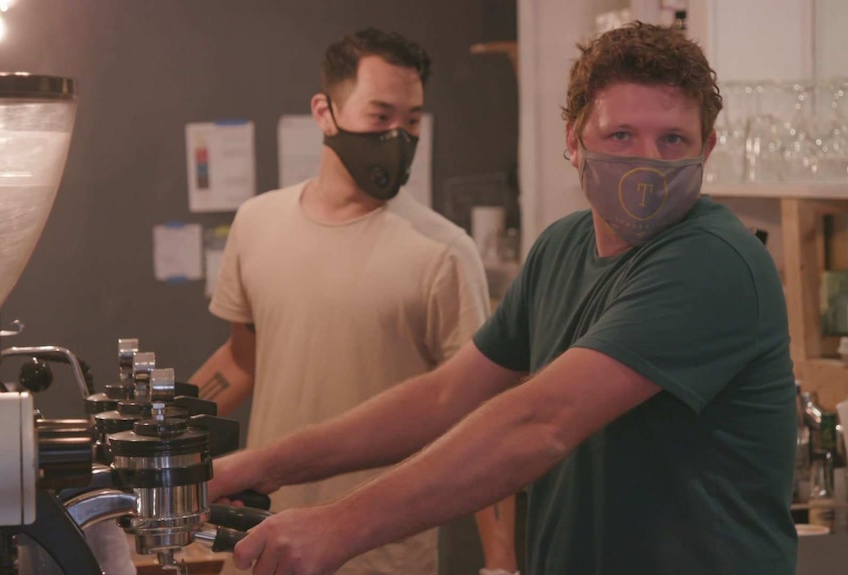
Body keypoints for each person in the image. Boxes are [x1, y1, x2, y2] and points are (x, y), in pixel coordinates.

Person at [207, 21, 798, 575]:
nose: (648, 160)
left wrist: (336, 527)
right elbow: (444, 397)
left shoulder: (712, 262)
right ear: (574, 138)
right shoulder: (562, 248)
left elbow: (539, 423)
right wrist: (257, 465)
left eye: (673, 139)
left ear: (708, 147)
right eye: (621, 134)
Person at [190, 28, 518, 575]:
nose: (398, 134)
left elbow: (480, 412)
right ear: (325, 112)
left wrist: (501, 562)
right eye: (380, 114)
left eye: (412, 120)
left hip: (384, 555)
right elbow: (241, 361)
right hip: (259, 543)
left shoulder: (444, 252)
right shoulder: (256, 223)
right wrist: (151, 441)